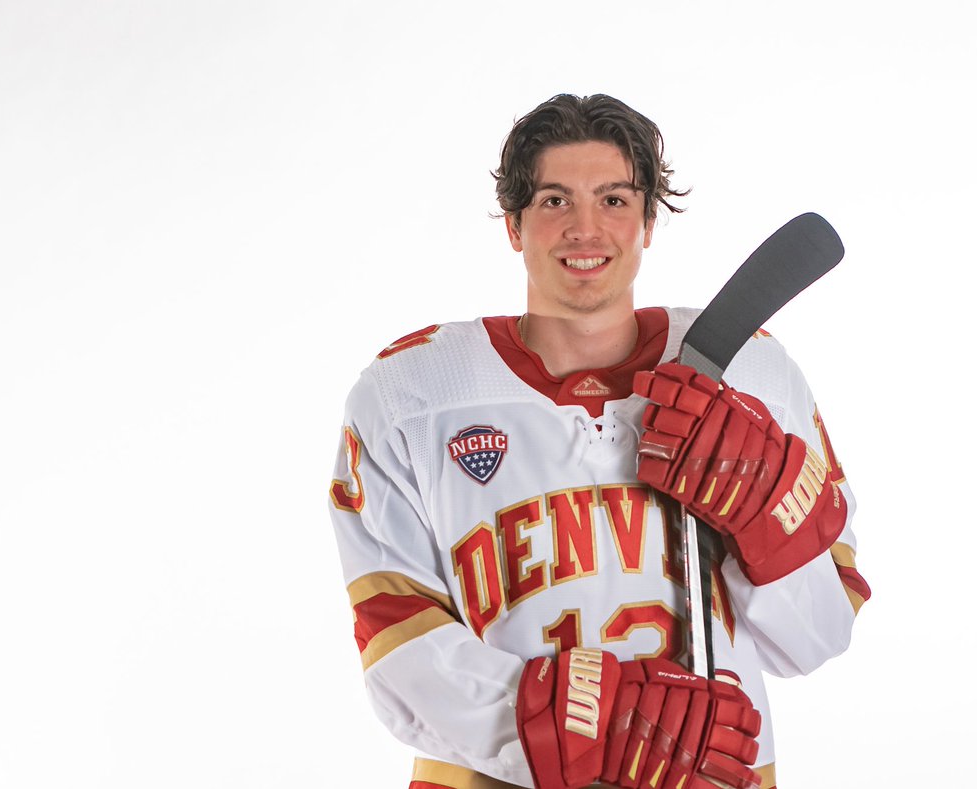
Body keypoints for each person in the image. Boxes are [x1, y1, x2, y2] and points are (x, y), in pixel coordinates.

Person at [328, 93, 870, 789]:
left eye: (614, 199)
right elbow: (396, 646)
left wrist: (766, 511)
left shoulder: (756, 373)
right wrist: (586, 723)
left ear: (649, 220)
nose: (585, 228)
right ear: (513, 225)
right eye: (555, 200)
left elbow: (816, 637)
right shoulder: (411, 392)